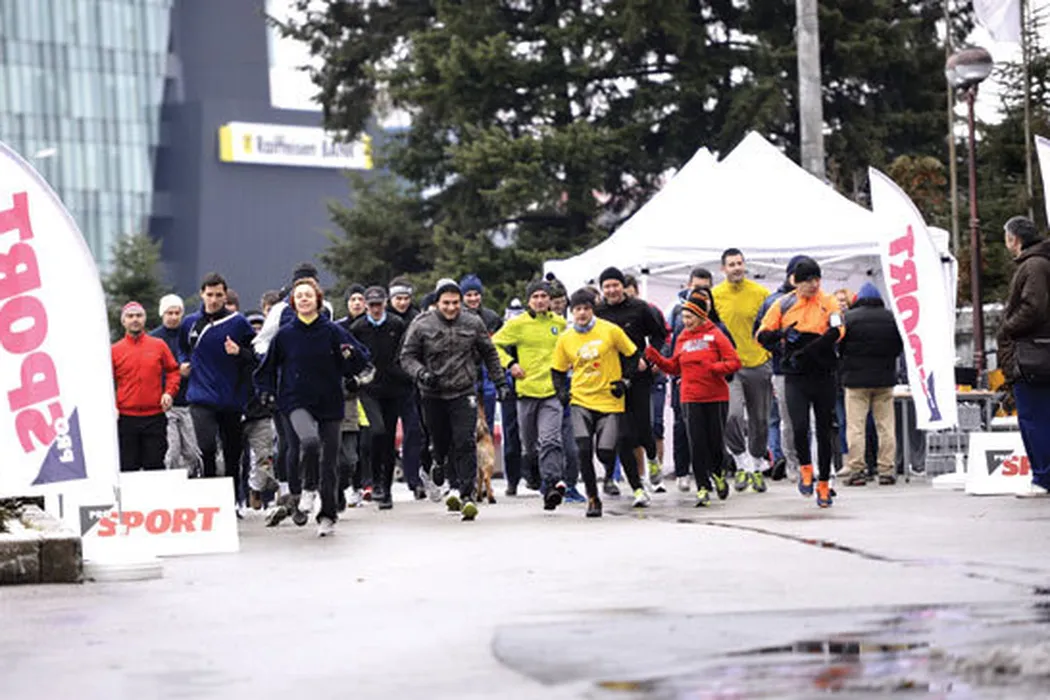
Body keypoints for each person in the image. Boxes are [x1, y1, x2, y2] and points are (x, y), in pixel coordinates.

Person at [255, 278, 373, 536]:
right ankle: (307, 489)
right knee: (309, 443)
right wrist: (265, 392)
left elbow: (360, 360)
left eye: (308, 295)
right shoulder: (285, 334)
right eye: (299, 296)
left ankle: (327, 515)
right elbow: (267, 367)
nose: (304, 299)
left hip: (329, 400)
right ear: (293, 302)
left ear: (318, 299)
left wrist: (354, 370)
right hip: (295, 400)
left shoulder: (332, 331)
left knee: (330, 462)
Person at [400, 279, 509, 521]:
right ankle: (438, 462)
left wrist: (500, 382)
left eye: (455, 303)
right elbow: (407, 357)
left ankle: (466, 494)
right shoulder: (422, 324)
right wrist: (421, 373)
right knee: (441, 441)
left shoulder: (473, 322)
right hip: (433, 392)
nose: (451, 308)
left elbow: (489, 353)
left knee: (465, 441)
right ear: (437, 303)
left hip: (463, 390)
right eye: (446, 303)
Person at [757, 257, 844, 508]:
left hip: (823, 372)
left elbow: (838, 331)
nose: (814, 285)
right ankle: (805, 467)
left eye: (817, 279)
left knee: (825, 429)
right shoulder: (783, 304)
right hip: (795, 375)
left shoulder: (828, 302)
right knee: (799, 426)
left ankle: (824, 483)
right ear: (796, 282)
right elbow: (761, 335)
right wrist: (782, 336)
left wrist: (810, 348)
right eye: (808, 281)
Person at [645, 289, 740, 506]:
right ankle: (703, 487)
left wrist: (714, 368)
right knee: (696, 443)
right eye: (683, 317)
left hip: (715, 397)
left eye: (689, 317)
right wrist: (656, 358)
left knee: (715, 442)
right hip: (690, 397)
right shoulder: (682, 337)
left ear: (701, 316)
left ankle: (718, 473)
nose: (685, 321)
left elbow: (734, 362)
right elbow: (674, 367)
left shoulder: (716, 334)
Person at [552, 289, 641, 517]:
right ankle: (593, 499)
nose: (582, 313)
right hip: (581, 399)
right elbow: (557, 370)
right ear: (572, 312)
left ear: (593, 310)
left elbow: (633, 355)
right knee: (583, 450)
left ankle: (611, 474)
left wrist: (625, 381)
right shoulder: (566, 338)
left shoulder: (610, 330)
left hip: (609, 400)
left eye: (586, 308)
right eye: (578, 309)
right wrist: (561, 392)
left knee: (605, 453)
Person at [493, 279, 568, 509]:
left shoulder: (560, 324)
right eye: (535, 297)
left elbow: (571, 347)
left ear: (550, 300)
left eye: (544, 296)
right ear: (528, 301)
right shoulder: (518, 324)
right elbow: (493, 345)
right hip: (526, 391)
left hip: (552, 392)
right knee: (529, 445)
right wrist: (510, 364)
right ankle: (533, 473)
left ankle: (551, 485)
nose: (540, 301)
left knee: (550, 440)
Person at [594, 266, 667, 504]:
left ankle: (653, 459)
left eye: (615, 285)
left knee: (644, 429)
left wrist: (649, 359)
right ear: (601, 289)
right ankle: (637, 486)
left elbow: (660, 335)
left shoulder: (640, 308)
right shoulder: (597, 312)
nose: (612, 290)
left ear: (623, 287)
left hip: (638, 375)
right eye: (607, 286)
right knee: (623, 435)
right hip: (612, 379)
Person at [179, 273, 257, 484]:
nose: (213, 300)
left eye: (218, 295)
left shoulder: (238, 322)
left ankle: (233, 497)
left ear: (225, 296)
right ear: (202, 294)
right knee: (206, 447)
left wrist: (239, 352)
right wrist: (183, 364)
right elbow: (182, 349)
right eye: (210, 294)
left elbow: (255, 356)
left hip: (231, 397)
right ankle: (210, 489)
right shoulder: (190, 323)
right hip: (201, 396)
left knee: (233, 452)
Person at [350, 286, 419, 507]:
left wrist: (406, 375)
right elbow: (352, 356)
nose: (375, 309)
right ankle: (374, 481)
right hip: (369, 389)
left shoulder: (396, 324)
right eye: (372, 305)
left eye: (379, 304)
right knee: (376, 431)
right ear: (366, 306)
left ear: (385, 304)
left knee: (388, 438)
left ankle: (385, 489)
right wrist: (356, 376)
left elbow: (406, 352)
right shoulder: (358, 327)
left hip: (394, 388)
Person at [713, 248, 773, 493]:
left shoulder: (761, 293)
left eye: (739, 263)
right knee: (731, 416)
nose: (737, 268)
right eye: (732, 264)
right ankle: (740, 461)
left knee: (760, 420)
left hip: (758, 363)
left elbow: (771, 325)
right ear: (723, 269)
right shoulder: (715, 295)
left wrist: (769, 354)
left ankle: (756, 466)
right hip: (730, 367)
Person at [998, 215, 1050, 498]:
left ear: (1014, 239)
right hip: (1040, 353)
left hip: (1032, 356)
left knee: (1033, 419)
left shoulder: (1033, 265)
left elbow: (1033, 307)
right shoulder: (1040, 263)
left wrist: (1008, 327)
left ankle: (1043, 478)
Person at [838, 283, 903, 486]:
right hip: (884, 381)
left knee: (855, 427)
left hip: (855, 382)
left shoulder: (848, 318)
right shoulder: (892, 318)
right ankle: (886, 470)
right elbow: (898, 347)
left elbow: (839, 346)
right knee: (886, 427)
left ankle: (857, 470)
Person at [112, 301, 181, 472]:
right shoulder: (115, 350)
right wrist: (112, 406)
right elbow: (106, 382)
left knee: (155, 467)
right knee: (128, 468)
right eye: (130, 316)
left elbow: (173, 371)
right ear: (123, 321)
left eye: (139, 315)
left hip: (154, 417)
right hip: (126, 418)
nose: (135, 319)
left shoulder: (158, 345)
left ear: (144, 319)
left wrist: (169, 393)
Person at [754, 256, 805, 481]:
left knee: (811, 420)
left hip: (811, 369)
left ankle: (811, 463)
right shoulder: (774, 302)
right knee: (788, 420)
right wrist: (781, 346)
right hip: (783, 369)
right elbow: (759, 334)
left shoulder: (817, 301)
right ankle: (792, 462)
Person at [665, 267, 716, 491]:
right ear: (688, 286)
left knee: (708, 427)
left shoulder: (714, 319)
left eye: (705, 289)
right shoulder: (677, 312)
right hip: (683, 380)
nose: (700, 294)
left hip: (709, 384)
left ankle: (707, 472)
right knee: (681, 424)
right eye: (696, 288)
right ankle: (682, 471)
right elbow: (670, 343)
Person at [150, 294, 201, 474]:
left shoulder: (190, 336)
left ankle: (191, 478)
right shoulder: (154, 339)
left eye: (177, 313)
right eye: (169, 313)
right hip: (167, 403)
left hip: (190, 401)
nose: (173, 317)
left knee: (192, 452)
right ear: (162, 314)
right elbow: (152, 372)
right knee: (171, 452)